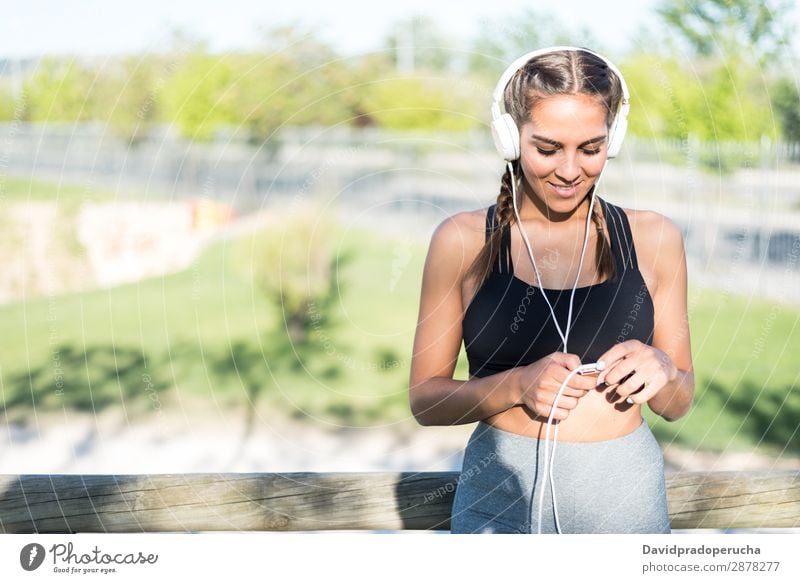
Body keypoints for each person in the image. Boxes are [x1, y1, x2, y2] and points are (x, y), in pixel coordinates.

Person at [408, 47, 695, 534]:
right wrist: (516, 385)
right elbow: (426, 401)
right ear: (509, 137)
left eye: (590, 148)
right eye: (547, 148)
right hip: (497, 496)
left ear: (614, 140)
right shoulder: (459, 240)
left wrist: (665, 370)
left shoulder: (656, 238)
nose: (569, 170)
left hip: (625, 495)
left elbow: (678, 403)